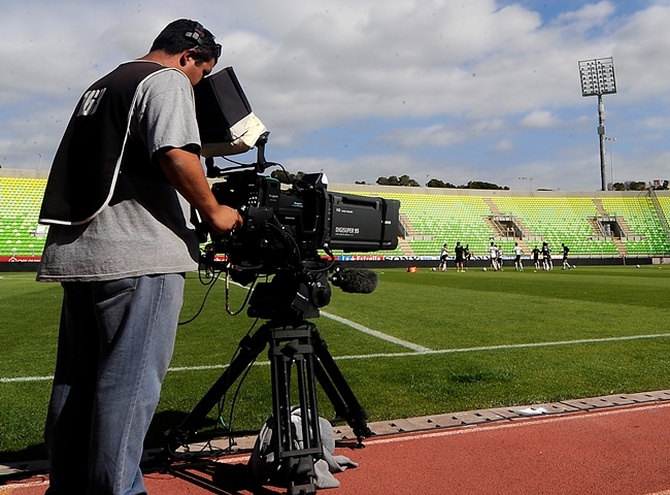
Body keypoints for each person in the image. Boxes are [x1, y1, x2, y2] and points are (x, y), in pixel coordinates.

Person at [36, 19, 243, 495]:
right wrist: (214, 212)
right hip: (137, 254)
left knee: (76, 384)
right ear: (189, 56)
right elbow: (174, 152)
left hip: (83, 251)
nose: (197, 85)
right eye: (200, 73)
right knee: (128, 388)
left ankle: (67, 488)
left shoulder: (104, 83)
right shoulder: (166, 79)